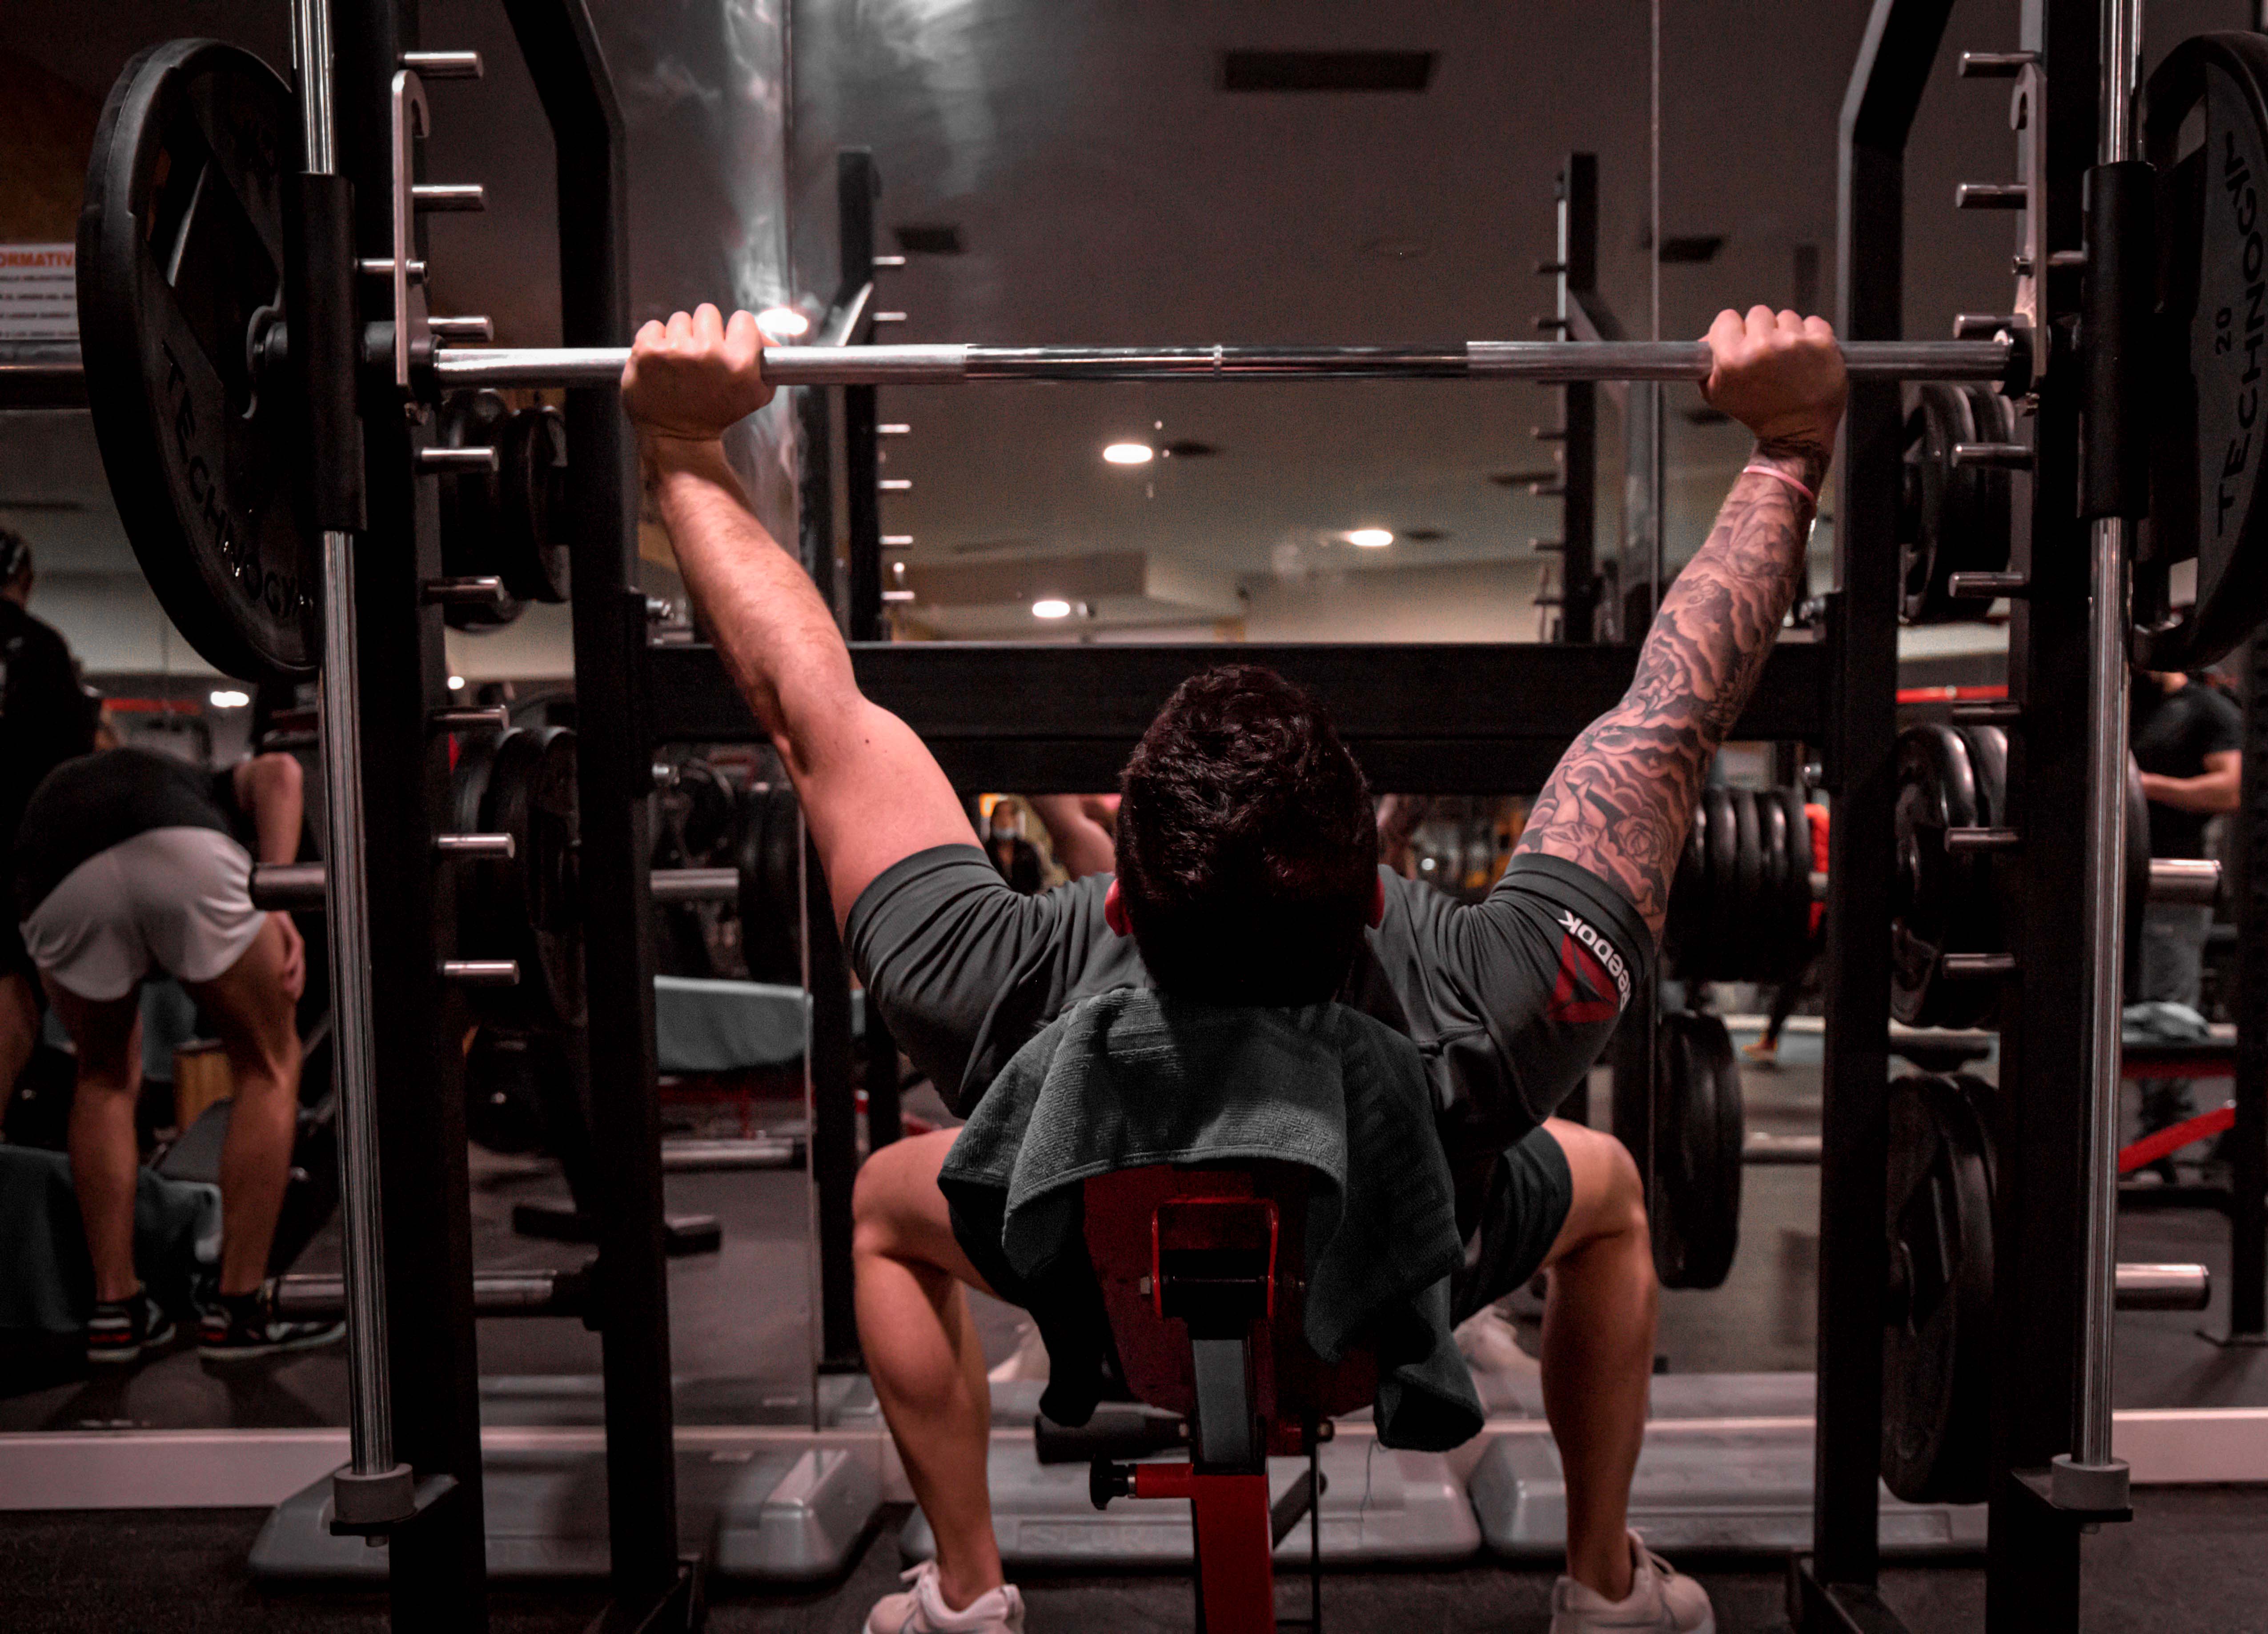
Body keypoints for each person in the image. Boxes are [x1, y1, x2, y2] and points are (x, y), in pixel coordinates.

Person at [624, 299, 1843, 1634]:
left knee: (881, 1204)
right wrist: (1791, 440)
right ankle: (1607, 1588)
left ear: (1121, 908)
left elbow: (813, 711)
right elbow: (1674, 708)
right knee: (1605, 1197)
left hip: (1101, 1292)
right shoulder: (1501, 993)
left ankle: (967, 1598)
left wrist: (684, 444)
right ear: (1375, 884)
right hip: (1385, 1310)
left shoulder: (988, 970)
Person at [12, 745, 343, 1364]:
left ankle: (117, 1310)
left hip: (55, 867)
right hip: (178, 849)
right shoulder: (213, 784)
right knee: (269, 1065)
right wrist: (275, 897)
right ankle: (239, 1310)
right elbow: (283, 773)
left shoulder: (92, 780)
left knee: (103, 1076)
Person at [0, 526, 103, 1130]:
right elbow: (74, 774)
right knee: (10, 997)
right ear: (27, 582)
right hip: (15, 854)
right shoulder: (41, 649)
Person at [2130, 668, 2242, 1148]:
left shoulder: (2207, 709)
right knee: (2130, 1014)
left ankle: (2169, 1137)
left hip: (2176, 882)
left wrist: (2143, 785)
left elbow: (2231, 789)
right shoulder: (2131, 707)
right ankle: (2150, 1132)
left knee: (2168, 1013)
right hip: (2123, 878)